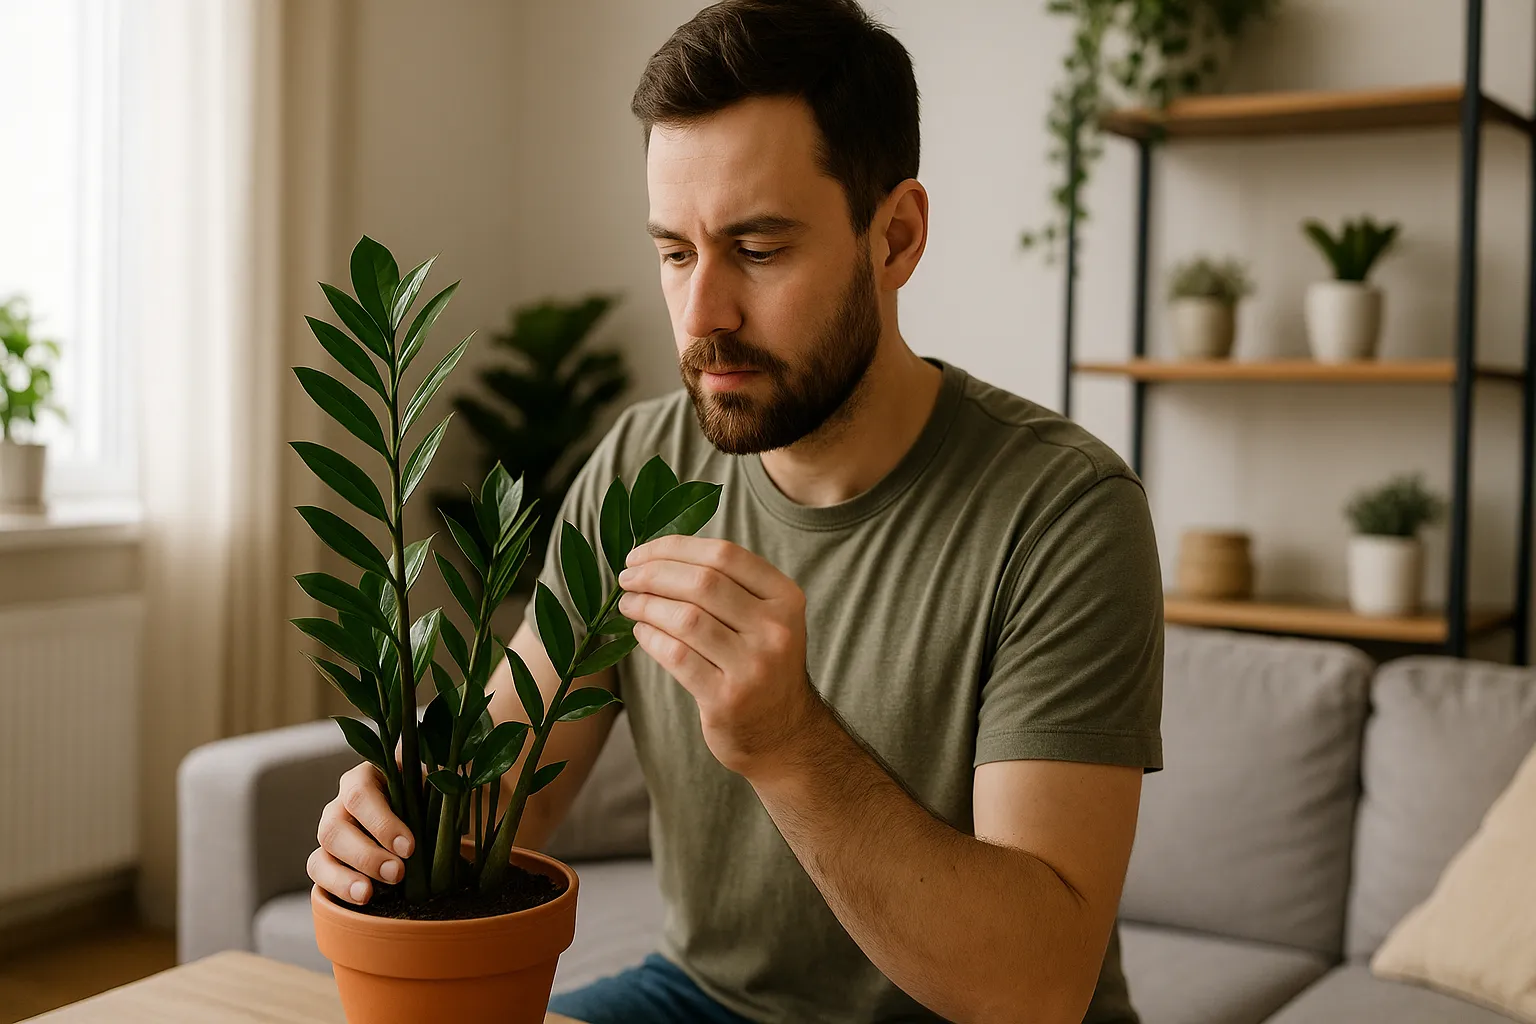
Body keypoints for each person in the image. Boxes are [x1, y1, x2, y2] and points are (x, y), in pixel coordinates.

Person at [308, 1, 1164, 1021]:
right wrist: (399, 815)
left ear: (895, 238)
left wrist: (791, 744)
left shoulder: (1064, 511)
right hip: (698, 1001)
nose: (702, 314)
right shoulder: (641, 467)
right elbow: (507, 788)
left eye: (757, 250)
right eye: (676, 252)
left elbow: (1036, 988)